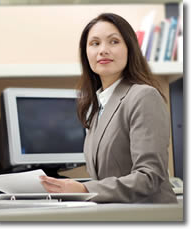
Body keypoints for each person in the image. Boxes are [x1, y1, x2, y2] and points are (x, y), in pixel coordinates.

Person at [40, 13, 177, 203]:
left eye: (113, 42)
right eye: (95, 43)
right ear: (86, 53)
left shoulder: (143, 96)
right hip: (116, 214)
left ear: (130, 48)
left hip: (148, 216)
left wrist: (84, 189)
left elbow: (149, 177)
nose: (103, 50)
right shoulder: (97, 106)